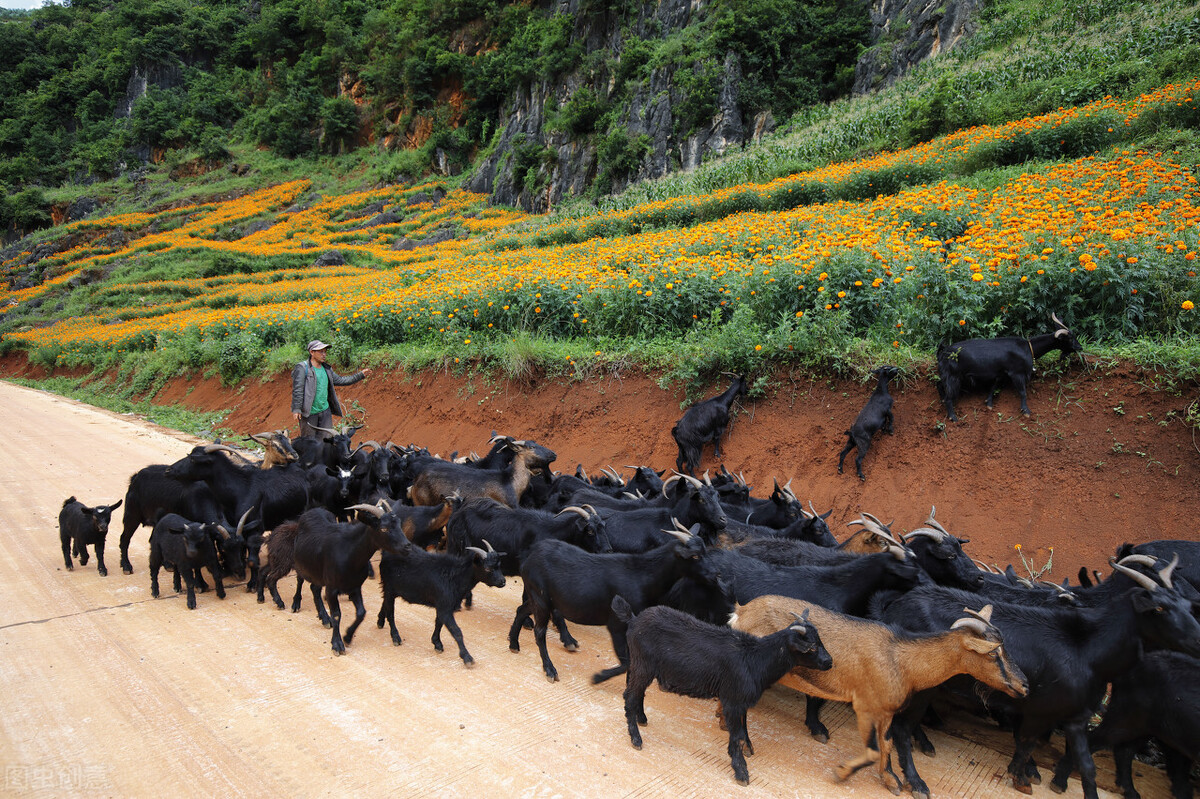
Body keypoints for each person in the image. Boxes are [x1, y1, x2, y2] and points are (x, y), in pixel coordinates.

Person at [291, 340, 372, 439]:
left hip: (325, 412)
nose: (324, 354)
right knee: (310, 442)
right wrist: (297, 409)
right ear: (312, 352)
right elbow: (298, 390)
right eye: (321, 352)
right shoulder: (303, 368)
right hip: (309, 413)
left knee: (326, 441)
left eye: (325, 352)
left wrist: (360, 375)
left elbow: (342, 380)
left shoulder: (327, 369)